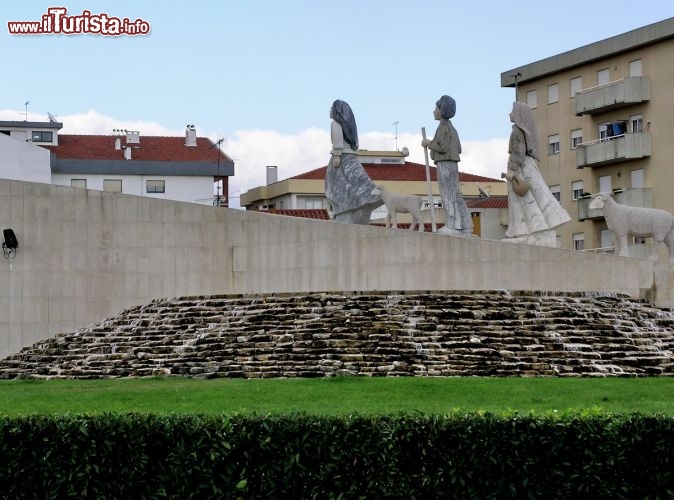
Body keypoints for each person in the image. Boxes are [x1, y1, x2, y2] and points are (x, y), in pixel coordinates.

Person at [504, 102, 570, 246]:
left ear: (519, 115)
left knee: (525, 199)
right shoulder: (521, 131)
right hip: (527, 166)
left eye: (512, 111)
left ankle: (533, 230)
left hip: (520, 168)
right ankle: (532, 230)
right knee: (536, 195)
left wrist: (512, 169)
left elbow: (518, 152)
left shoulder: (517, 131)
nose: (509, 114)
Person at [421, 95, 474, 236]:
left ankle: (453, 225)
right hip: (452, 164)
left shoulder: (443, 127)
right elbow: (459, 148)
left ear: (441, 110)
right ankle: (466, 224)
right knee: (455, 194)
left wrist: (428, 143)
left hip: (445, 164)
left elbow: (443, 147)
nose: (433, 111)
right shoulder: (452, 129)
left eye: (435, 108)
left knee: (448, 195)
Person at [325, 100, 382, 224]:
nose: (329, 110)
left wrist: (336, 155)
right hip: (351, 156)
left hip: (341, 157)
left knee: (338, 186)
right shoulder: (347, 126)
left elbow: (338, 142)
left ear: (337, 111)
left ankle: (350, 206)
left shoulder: (334, 123)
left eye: (331, 108)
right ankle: (369, 196)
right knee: (357, 180)